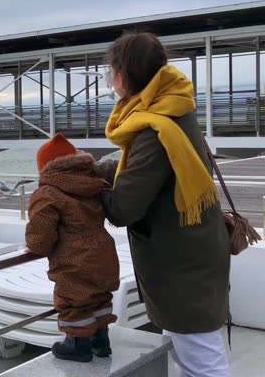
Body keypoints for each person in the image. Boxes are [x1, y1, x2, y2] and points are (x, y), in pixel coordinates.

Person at [94, 32, 231, 376]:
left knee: (202, 361)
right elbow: (147, 172)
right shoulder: (173, 106)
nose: (110, 80)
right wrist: (95, 167)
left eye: (111, 71)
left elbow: (123, 207)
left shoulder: (156, 129)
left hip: (181, 267)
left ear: (124, 74)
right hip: (194, 254)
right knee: (191, 355)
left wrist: (83, 182)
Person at [25, 133, 120, 363]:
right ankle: (101, 340)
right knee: (98, 297)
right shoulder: (92, 184)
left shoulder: (48, 192)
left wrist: (34, 244)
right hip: (104, 252)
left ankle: (77, 344)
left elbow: (40, 238)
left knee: (73, 300)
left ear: (45, 167)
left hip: (74, 259)